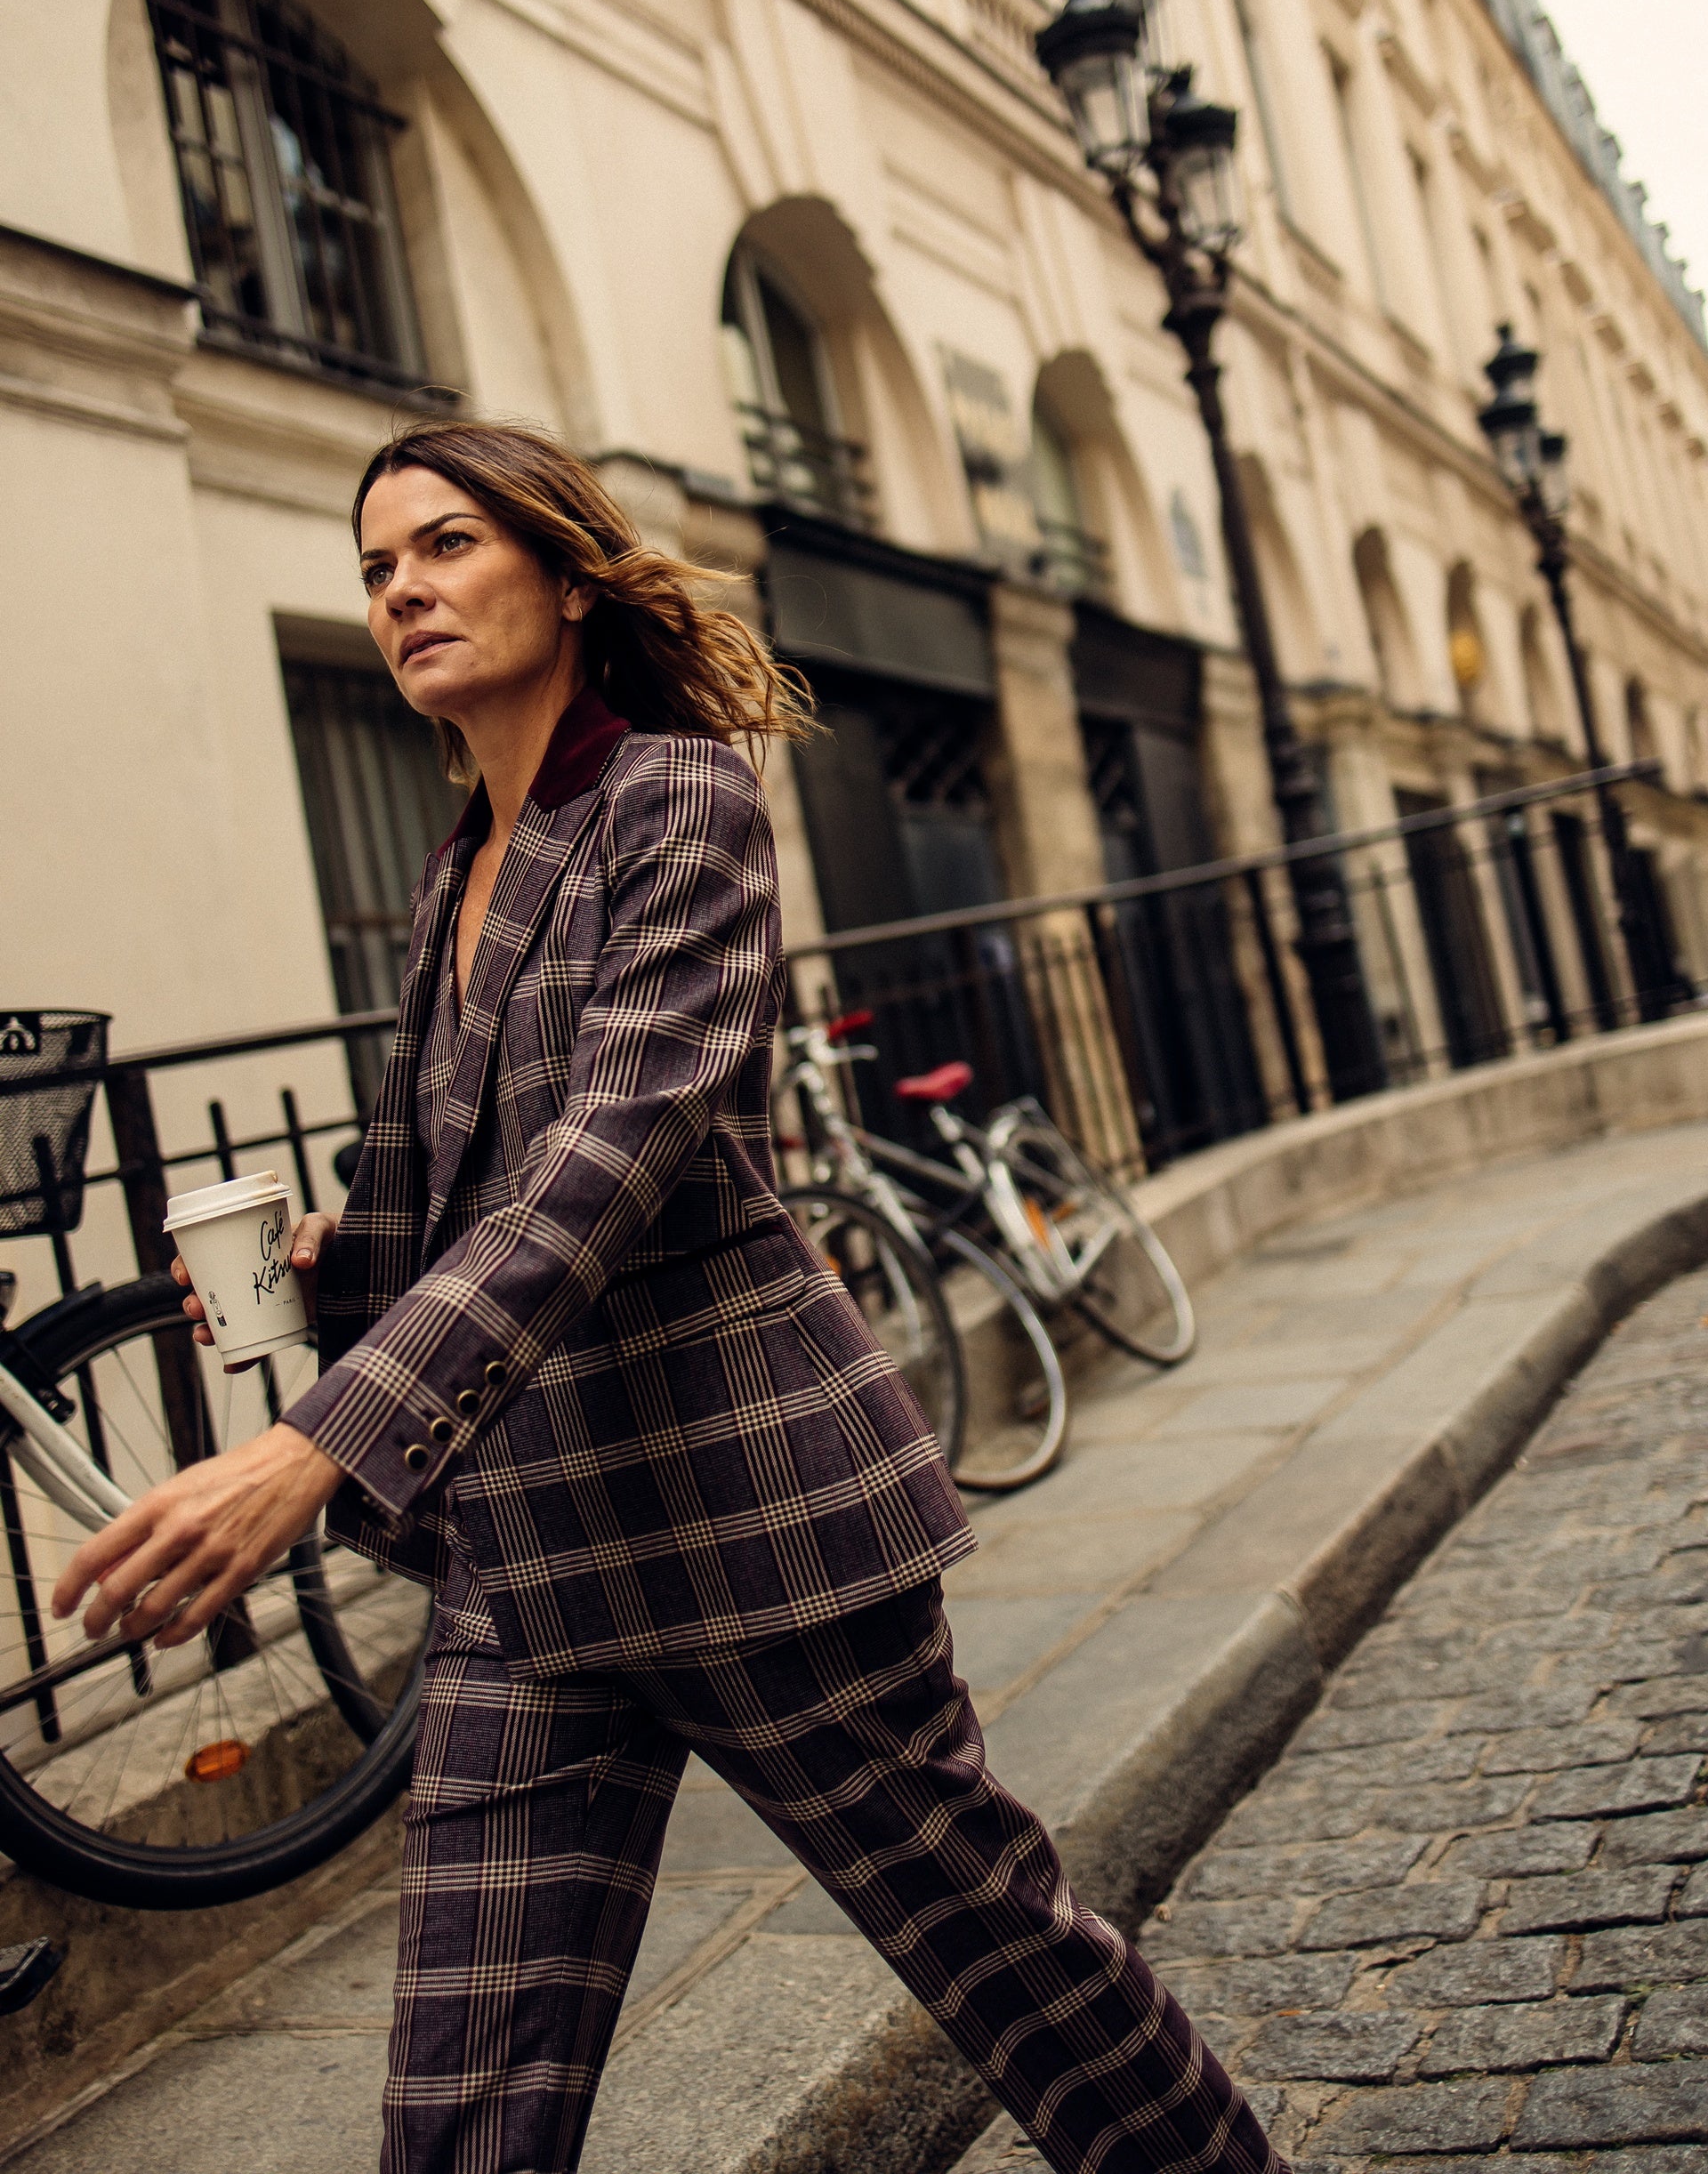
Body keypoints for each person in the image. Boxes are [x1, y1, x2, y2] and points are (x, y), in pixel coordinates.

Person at [54, 422, 1285, 2174]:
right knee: (463, 2095)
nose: (402, 588)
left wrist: (314, 1443)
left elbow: (612, 1154)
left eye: (446, 544)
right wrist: (331, 1272)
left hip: (747, 1525)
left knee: (1016, 1966)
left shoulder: (678, 797)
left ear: (566, 575)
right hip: (529, 1565)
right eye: (377, 567)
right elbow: (456, 1189)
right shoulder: (457, 863)